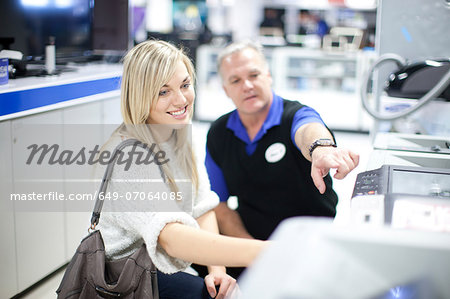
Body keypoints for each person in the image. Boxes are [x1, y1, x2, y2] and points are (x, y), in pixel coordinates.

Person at [96, 40, 267, 299]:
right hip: (123, 276)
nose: (181, 99)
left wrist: (217, 270)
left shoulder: (183, 135)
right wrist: (262, 251)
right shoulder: (130, 155)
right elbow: (170, 238)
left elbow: (202, 206)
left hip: (165, 265)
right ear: (140, 96)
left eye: (185, 85)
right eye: (163, 92)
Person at [204, 41, 359, 277]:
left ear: (268, 75)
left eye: (254, 75)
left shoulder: (294, 115)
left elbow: (309, 130)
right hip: (251, 239)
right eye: (235, 80)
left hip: (306, 239)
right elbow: (221, 206)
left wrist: (320, 149)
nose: (247, 85)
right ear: (226, 89)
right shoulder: (219, 132)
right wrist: (252, 253)